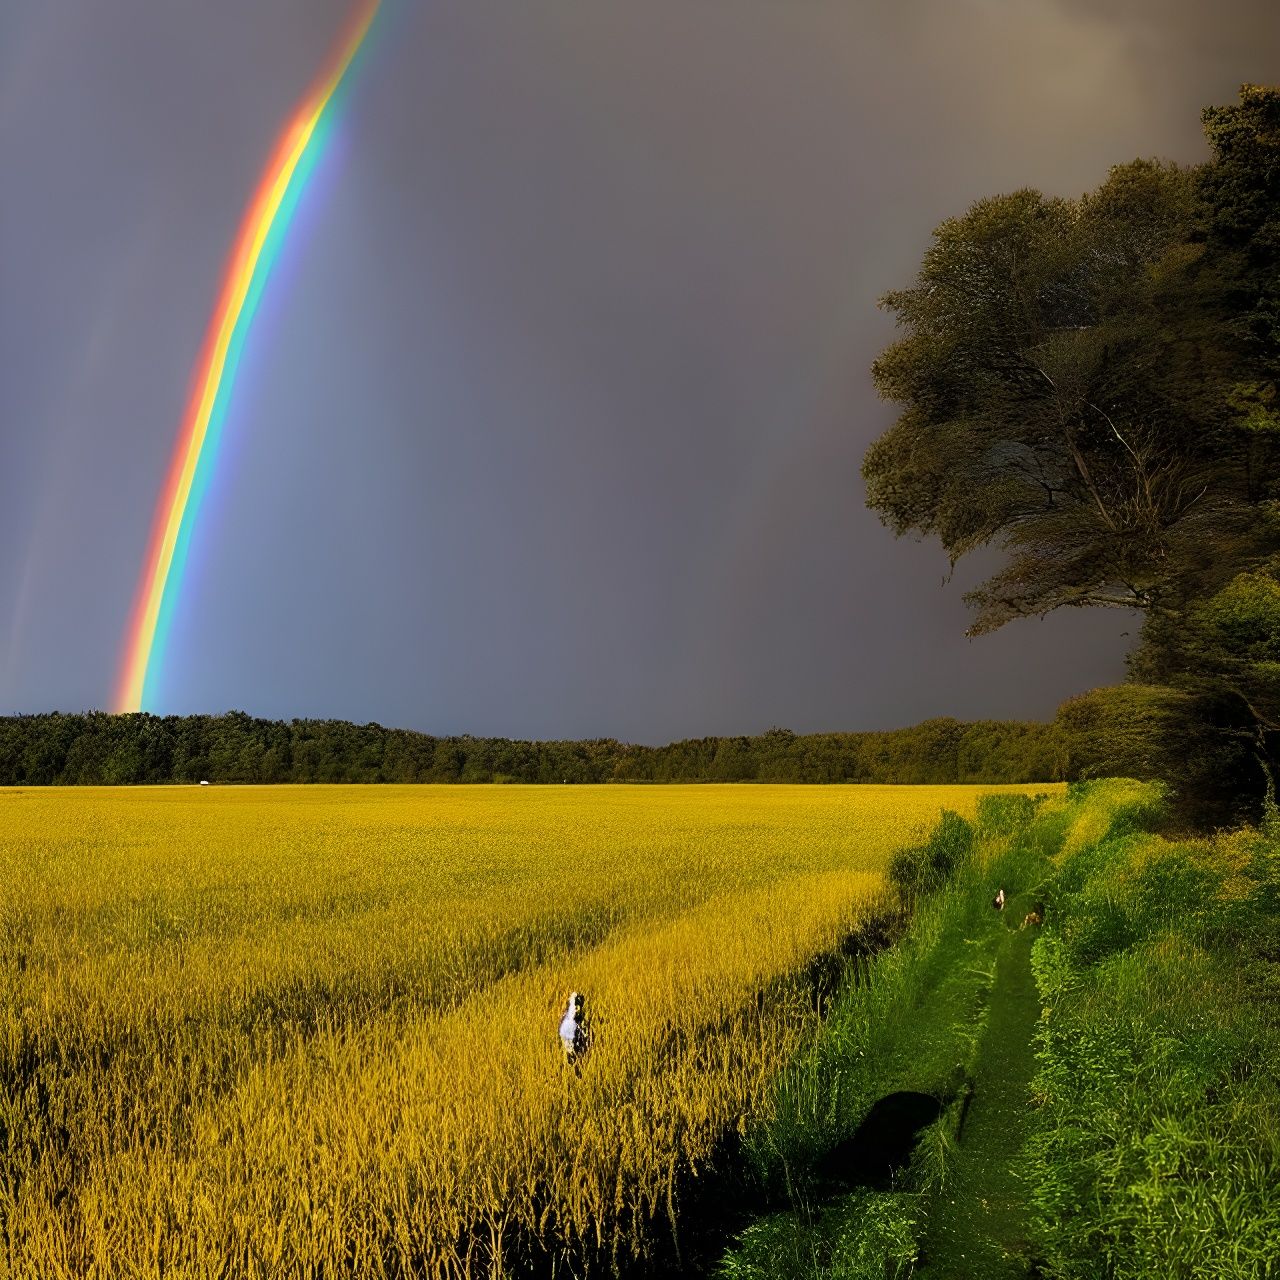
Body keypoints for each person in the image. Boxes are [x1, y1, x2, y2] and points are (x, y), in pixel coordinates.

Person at [559, 992, 584, 1064]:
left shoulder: (580, 1020)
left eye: (579, 1005)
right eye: (575, 1005)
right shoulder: (567, 1021)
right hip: (570, 1054)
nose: (577, 1008)